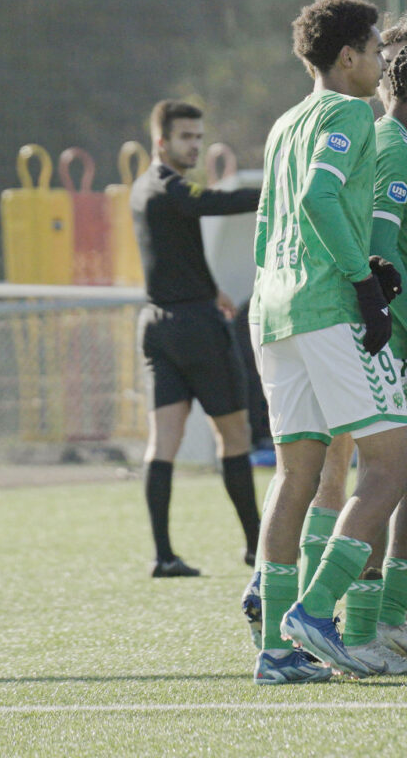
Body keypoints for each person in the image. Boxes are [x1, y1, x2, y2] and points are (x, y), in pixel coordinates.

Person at [249, 0, 407, 685]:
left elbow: (266, 227)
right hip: (324, 307)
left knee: (295, 476)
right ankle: (316, 613)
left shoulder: (284, 122)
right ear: (347, 56)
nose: (381, 66)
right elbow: (321, 197)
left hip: (272, 310)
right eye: (377, 51)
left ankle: (277, 655)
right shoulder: (350, 113)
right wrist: (361, 281)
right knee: (390, 465)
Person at [130, 100, 262, 578]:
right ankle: (256, 546)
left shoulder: (141, 188)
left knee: (162, 441)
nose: (195, 145)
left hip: (157, 324)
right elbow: (207, 203)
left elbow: (174, 254)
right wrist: (274, 194)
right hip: (195, 329)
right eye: (186, 137)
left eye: (199, 137)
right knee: (234, 434)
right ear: (161, 141)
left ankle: (163, 556)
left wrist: (212, 289)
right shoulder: (171, 187)